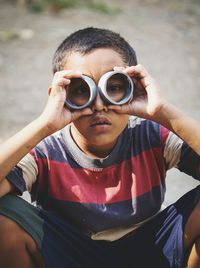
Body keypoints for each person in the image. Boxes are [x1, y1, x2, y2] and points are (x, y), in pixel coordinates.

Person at [0, 27, 200, 268]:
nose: (98, 105)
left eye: (113, 87)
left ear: (134, 87)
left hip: (150, 251)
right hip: (72, 257)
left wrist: (162, 112)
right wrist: (44, 124)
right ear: (60, 96)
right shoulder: (45, 151)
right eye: (81, 90)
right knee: (4, 214)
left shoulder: (153, 136)